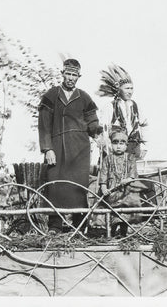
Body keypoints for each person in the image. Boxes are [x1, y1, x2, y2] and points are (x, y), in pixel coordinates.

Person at [38, 58, 102, 234]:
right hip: (56, 147)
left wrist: (98, 135)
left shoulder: (84, 97)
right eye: (68, 74)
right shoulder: (51, 95)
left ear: (79, 76)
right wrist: (47, 148)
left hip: (80, 148)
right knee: (56, 183)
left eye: (74, 75)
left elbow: (92, 121)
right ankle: (55, 226)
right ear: (62, 74)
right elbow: (43, 124)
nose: (71, 78)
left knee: (78, 185)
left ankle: (80, 226)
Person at [97, 64, 148, 159]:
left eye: (131, 88)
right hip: (115, 149)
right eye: (127, 88)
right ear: (118, 89)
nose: (130, 91)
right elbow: (103, 130)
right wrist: (108, 149)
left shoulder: (135, 106)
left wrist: (144, 147)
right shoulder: (109, 107)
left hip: (133, 149)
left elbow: (144, 125)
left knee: (132, 172)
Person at [98, 129, 142, 237]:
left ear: (126, 145)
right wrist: (103, 188)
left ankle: (123, 234)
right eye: (115, 143)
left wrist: (127, 179)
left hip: (126, 191)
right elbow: (103, 174)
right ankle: (111, 233)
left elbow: (133, 174)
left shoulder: (130, 158)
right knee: (112, 212)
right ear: (111, 144)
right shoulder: (107, 159)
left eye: (122, 143)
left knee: (125, 213)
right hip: (111, 191)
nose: (118, 146)